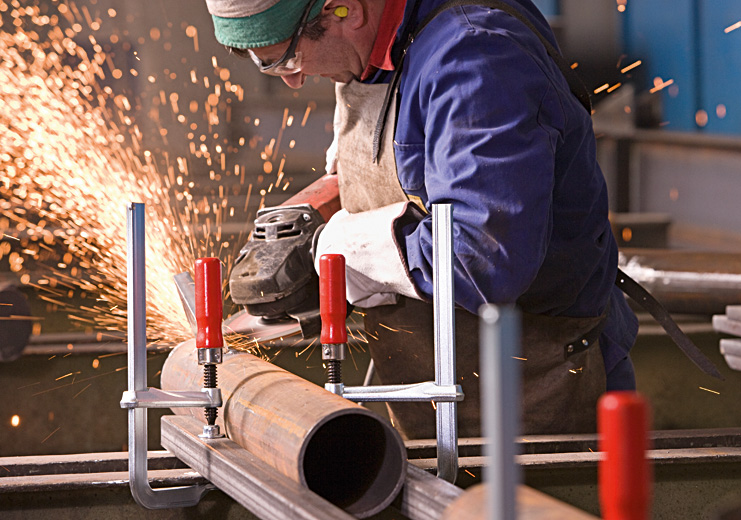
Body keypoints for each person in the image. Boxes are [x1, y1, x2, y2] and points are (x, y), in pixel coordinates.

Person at [205, 0, 639, 439]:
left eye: (288, 59)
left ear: (345, 10)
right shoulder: (377, 53)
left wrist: (336, 250)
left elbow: (483, 258)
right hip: (438, 382)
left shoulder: (475, 57)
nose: (294, 80)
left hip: (534, 381)